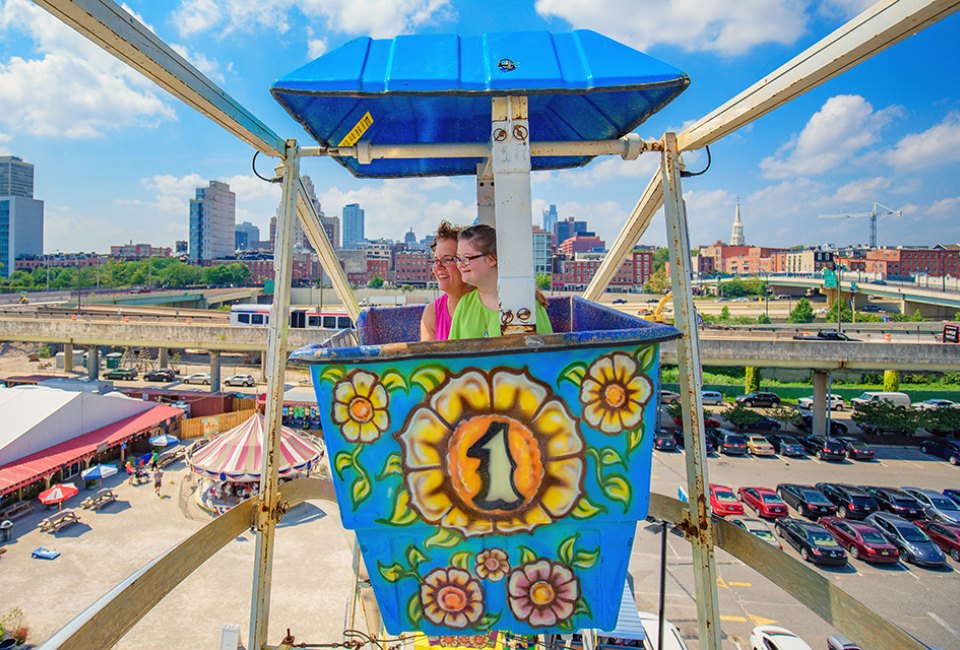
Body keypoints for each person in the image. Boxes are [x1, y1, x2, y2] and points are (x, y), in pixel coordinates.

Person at [448, 224, 552, 339]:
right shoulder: (464, 305)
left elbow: (544, 352)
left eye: (466, 258)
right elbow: (452, 354)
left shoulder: (524, 304)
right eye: (458, 258)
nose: (460, 264)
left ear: (492, 259)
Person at [421, 221, 472, 341]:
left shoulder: (487, 304)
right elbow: (429, 359)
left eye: (447, 260)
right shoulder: (432, 313)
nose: (438, 266)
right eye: (435, 260)